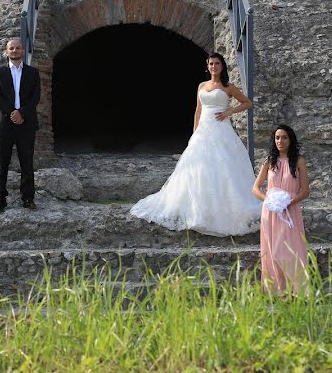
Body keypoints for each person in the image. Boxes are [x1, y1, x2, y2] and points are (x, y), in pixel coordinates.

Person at [130, 53, 260, 236]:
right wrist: (194, 133)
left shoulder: (228, 87)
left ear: (222, 66)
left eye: (217, 63)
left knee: (223, 166)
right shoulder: (201, 86)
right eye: (211, 64)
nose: (213, 66)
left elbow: (247, 103)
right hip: (203, 130)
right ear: (207, 67)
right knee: (196, 168)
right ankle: (197, 209)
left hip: (221, 128)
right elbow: (198, 110)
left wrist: (229, 111)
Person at [252, 124, 310, 295]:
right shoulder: (269, 161)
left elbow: (305, 190)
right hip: (270, 212)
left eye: (284, 137)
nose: (280, 141)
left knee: (290, 249)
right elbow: (255, 188)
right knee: (272, 249)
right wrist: (268, 200)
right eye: (277, 137)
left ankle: (297, 290)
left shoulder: (299, 161)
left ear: (290, 140)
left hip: (290, 211)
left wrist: (288, 202)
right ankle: (278, 290)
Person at [0, 37, 41, 214]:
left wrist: (21, 113)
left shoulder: (33, 72)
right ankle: (0, 199)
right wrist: (12, 113)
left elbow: (35, 97)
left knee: (26, 162)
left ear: (23, 50)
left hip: (26, 123)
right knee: (1, 162)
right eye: (11, 48)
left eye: (18, 48)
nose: (14, 51)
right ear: (7, 51)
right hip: (5, 124)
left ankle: (28, 198)